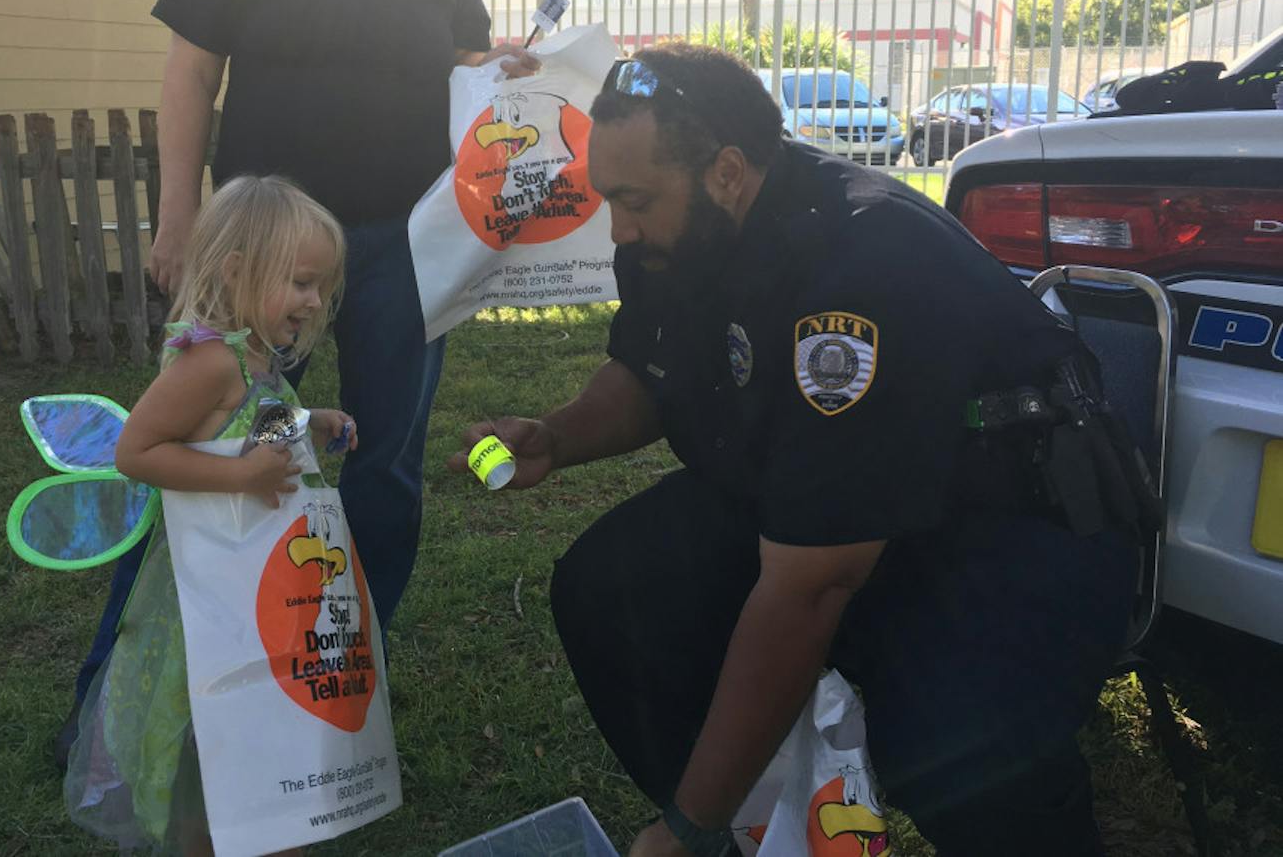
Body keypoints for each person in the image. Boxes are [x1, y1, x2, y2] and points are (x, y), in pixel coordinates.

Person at [453, 44, 1144, 857]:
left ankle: (707, 824)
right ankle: (758, 829)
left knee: (950, 742)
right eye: (610, 197)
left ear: (727, 171)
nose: (619, 226)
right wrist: (559, 435)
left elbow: (810, 589)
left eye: (634, 200)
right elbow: (651, 363)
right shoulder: (678, 232)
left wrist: (683, 825)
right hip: (844, 497)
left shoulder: (858, 267)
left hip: (1016, 520)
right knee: (611, 587)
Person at [57, 0, 538, 766]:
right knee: (208, 445)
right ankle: (114, 697)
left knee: (385, 460)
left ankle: (341, 674)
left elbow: (463, 74)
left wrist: (504, 63)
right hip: (264, 247)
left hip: (407, 245)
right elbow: (189, 75)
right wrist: (177, 216)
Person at [64, 174, 357, 856]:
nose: (314, 301)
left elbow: (254, 418)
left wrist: (312, 420)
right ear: (236, 271)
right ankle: (212, 838)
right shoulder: (208, 361)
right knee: (208, 731)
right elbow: (136, 451)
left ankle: (257, 830)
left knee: (254, 716)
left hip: (249, 570)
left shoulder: (252, 355)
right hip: (205, 586)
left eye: (320, 286)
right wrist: (237, 475)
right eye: (303, 282)